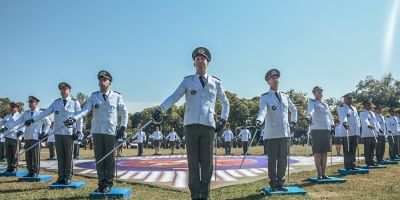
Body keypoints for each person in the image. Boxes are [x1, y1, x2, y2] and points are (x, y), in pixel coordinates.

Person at [152, 47, 229, 200]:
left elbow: (225, 102)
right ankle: (195, 195)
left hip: (208, 126)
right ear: (194, 63)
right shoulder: (188, 81)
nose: (200, 62)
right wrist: (161, 108)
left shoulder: (216, 82)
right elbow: (174, 96)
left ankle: (205, 195)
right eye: (197, 59)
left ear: (208, 62)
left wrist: (223, 119)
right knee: (193, 162)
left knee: (207, 163)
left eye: (203, 59)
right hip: (191, 125)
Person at [64, 70, 128, 193]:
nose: (101, 81)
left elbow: (124, 112)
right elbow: (85, 110)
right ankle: (101, 182)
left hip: (110, 131)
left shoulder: (117, 96)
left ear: (109, 82)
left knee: (109, 158)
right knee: (99, 158)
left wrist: (123, 127)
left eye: (104, 79)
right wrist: (74, 118)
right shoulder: (94, 96)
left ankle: (108, 183)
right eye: (100, 79)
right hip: (97, 131)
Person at [25, 82, 83, 184]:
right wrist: (33, 119)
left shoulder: (75, 103)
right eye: (61, 89)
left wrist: (79, 131)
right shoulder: (56, 103)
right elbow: (45, 112)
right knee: (60, 156)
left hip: (69, 133)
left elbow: (80, 118)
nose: (63, 91)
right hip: (58, 133)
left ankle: (68, 177)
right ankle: (61, 177)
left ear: (69, 90)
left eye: (65, 89)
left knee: (68, 156)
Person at [255, 69, 297, 191]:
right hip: (272, 133)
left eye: (276, 77)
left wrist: (293, 121)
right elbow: (262, 111)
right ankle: (273, 183)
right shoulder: (265, 97)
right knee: (272, 160)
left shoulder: (285, 96)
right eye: (272, 78)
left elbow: (294, 109)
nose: (275, 79)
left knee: (283, 159)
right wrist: (259, 120)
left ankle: (281, 182)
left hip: (285, 132)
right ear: (268, 81)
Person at [7, 96, 51, 177]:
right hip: (27, 136)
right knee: (28, 155)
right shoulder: (26, 113)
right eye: (29, 102)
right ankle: (30, 171)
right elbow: (19, 121)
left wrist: (44, 132)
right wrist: (9, 126)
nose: (30, 104)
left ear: (36, 103)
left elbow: (48, 122)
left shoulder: (40, 113)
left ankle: (35, 171)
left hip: (35, 137)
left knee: (35, 155)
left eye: (32, 102)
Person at [306, 86, 334, 179]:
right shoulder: (312, 102)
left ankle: (324, 173)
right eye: (318, 92)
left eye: (321, 92)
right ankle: (319, 173)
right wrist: (308, 117)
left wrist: (332, 125)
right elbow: (310, 111)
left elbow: (329, 116)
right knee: (318, 153)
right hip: (316, 129)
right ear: (314, 93)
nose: (320, 94)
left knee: (325, 152)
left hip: (326, 129)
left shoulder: (325, 104)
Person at [337, 93, 361, 170]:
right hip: (346, 131)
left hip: (354, 131)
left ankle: (353, 164)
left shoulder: (354, 108)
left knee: (353, 149)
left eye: (350, 98)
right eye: (348, 98)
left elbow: (357, 119)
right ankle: (347, 165)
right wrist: (344, 122)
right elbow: (343, 116)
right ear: (344, 99)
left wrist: (358, 129)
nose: (350, 100)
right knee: (347, 149)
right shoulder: (342, 108)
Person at [0, 102, 24, 172]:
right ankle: (9, 166)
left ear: (17, 108)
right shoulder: (7, 116)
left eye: (13, 107)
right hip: (7, 136)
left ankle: (14, 166)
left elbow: (23, 125)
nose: (11, 108)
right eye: (11, 107)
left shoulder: (20, 116)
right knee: (8, 153)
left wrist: (21, 131)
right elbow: (1, 123)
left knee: (15, 153)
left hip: (15, 136)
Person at [359, 99, 380, 166]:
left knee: (372, 148)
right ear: (364, 105)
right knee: (367, 148)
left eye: (370, 104)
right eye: (367, 104)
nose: (369, 105)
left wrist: (378, 129)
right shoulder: (362, 113)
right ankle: (367, 161)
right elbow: (365, 120)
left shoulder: (373, 113)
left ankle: (372, 160)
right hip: (367, 133)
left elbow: (376, 122)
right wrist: (368, 125)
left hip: (374, 133)